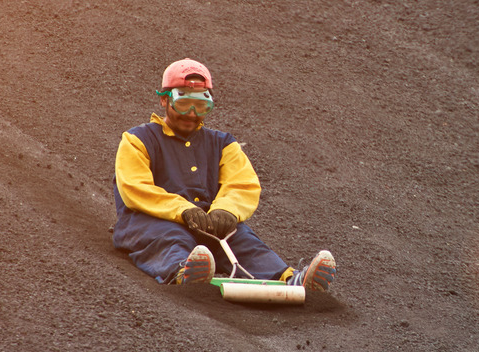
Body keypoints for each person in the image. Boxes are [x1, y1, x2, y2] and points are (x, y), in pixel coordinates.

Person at [112, 58, 335, 292]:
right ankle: (184, 272)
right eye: (184, 103)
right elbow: (135, 188)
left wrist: (224, 211)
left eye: (200, 107)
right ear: (164, 99)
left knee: (242, 239)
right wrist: (183, 210)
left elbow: (242, 184)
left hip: (206, 223)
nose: (191, 114)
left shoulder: (223, 143)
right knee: (170, 238)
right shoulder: (137, 140)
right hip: (149, 222)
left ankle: (291, 279)